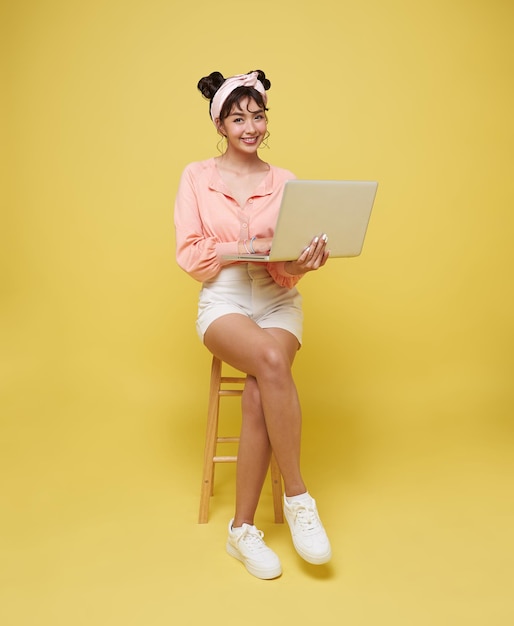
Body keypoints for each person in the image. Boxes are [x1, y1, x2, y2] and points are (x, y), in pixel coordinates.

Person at [174, 70, 332, 580]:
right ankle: (299, 497)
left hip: (276, 300)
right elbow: (192, 255)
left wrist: (303, 264)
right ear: (220, 123)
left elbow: (283, 271)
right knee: (269, 360)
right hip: (222, 301)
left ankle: (241, 531)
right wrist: (243, 248)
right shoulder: (197, 176)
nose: (250, 126)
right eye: (238, 117)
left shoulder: (284, 181)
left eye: (257, 116)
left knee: (263, 387)